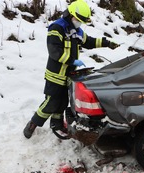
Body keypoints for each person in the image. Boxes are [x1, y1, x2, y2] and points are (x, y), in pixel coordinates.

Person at [23, 0, 119, 139]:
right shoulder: (57, 28)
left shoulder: (76, 31)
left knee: (63, 102)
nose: (79, 23)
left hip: (68, 75)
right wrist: (72, 60)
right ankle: (33, 123)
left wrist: (106, 42)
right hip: (55, 75)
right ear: (70, 15)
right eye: (77, 20)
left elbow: (89, 41)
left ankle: (57, 124)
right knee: (51, 102)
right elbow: (54, 51)